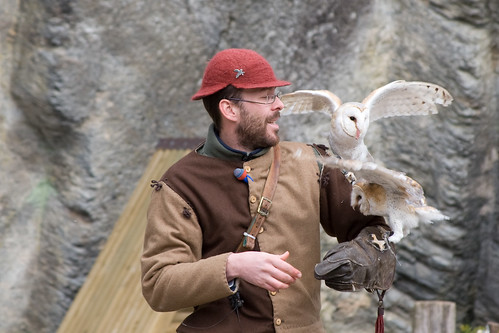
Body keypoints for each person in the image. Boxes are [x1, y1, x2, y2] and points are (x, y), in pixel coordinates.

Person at [141, 48, 393, 333]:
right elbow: (158, 284)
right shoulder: (180, 184)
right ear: (230, 109)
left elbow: (374, 228)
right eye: (266, 97)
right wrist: (232, 266)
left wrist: (366, 255)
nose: (279, 106)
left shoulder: (313, 163)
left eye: (276, 95)